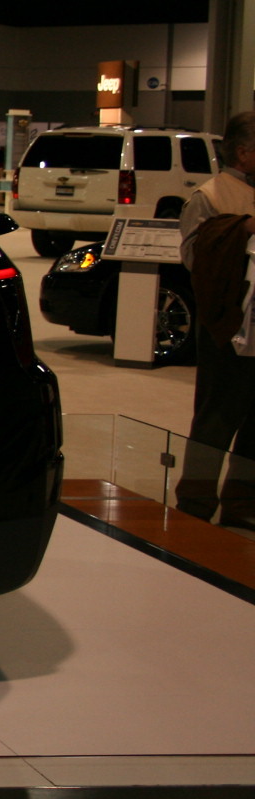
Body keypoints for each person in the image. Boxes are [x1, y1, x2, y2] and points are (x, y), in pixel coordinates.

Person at [175, 110, 255, 522]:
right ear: (243, 152)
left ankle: (243, 501)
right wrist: (241, 232)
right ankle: (196, 502)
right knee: (218, 414)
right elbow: (194, 258)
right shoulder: (209, 196)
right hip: (227, 322)